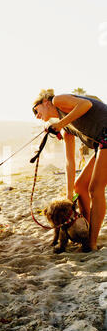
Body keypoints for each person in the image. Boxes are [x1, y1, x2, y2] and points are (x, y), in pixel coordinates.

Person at [33, 88, 107, 251]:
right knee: (79, 186)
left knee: (95, 188)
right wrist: (68, 194)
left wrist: (59, 124)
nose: (37, 116)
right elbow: (69, 162)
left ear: (45, 102)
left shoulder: (57, 100)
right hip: (102, 143)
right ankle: (87, 230)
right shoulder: (66, 128)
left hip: (105, 137)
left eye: (36, 110)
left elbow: (85, 104)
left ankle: (92, 243)